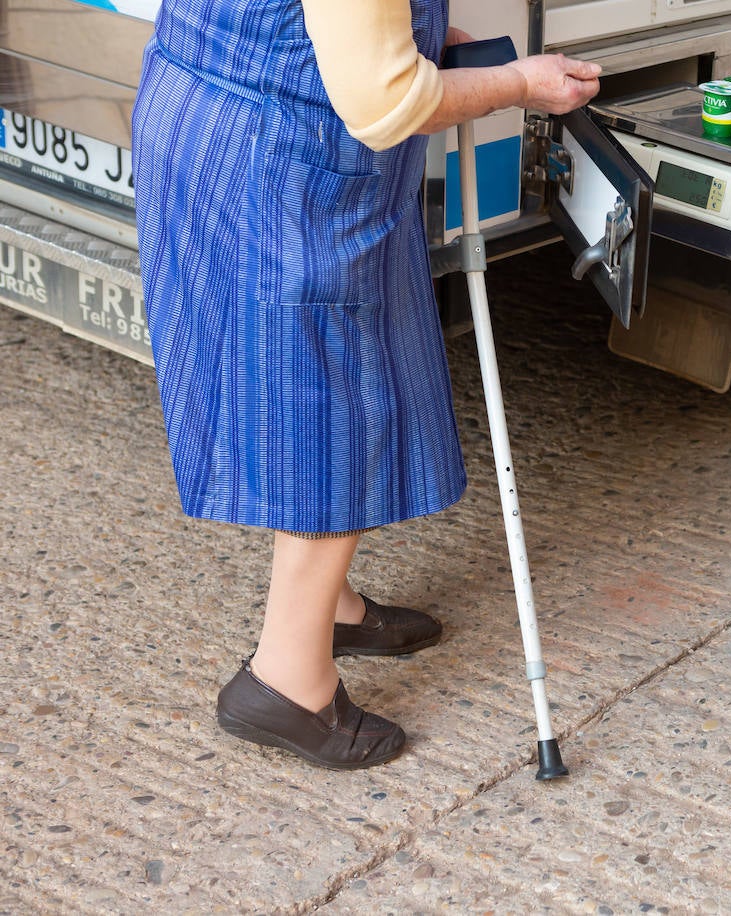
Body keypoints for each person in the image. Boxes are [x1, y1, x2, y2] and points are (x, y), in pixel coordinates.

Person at [131, 0, 600, 769]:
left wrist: (412, 34)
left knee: (324, 383)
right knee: (331, 407)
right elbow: (389, 103)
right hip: (283, 160)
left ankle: (330, 610)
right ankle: (286, 680)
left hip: (224, 112)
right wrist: (517, 83)